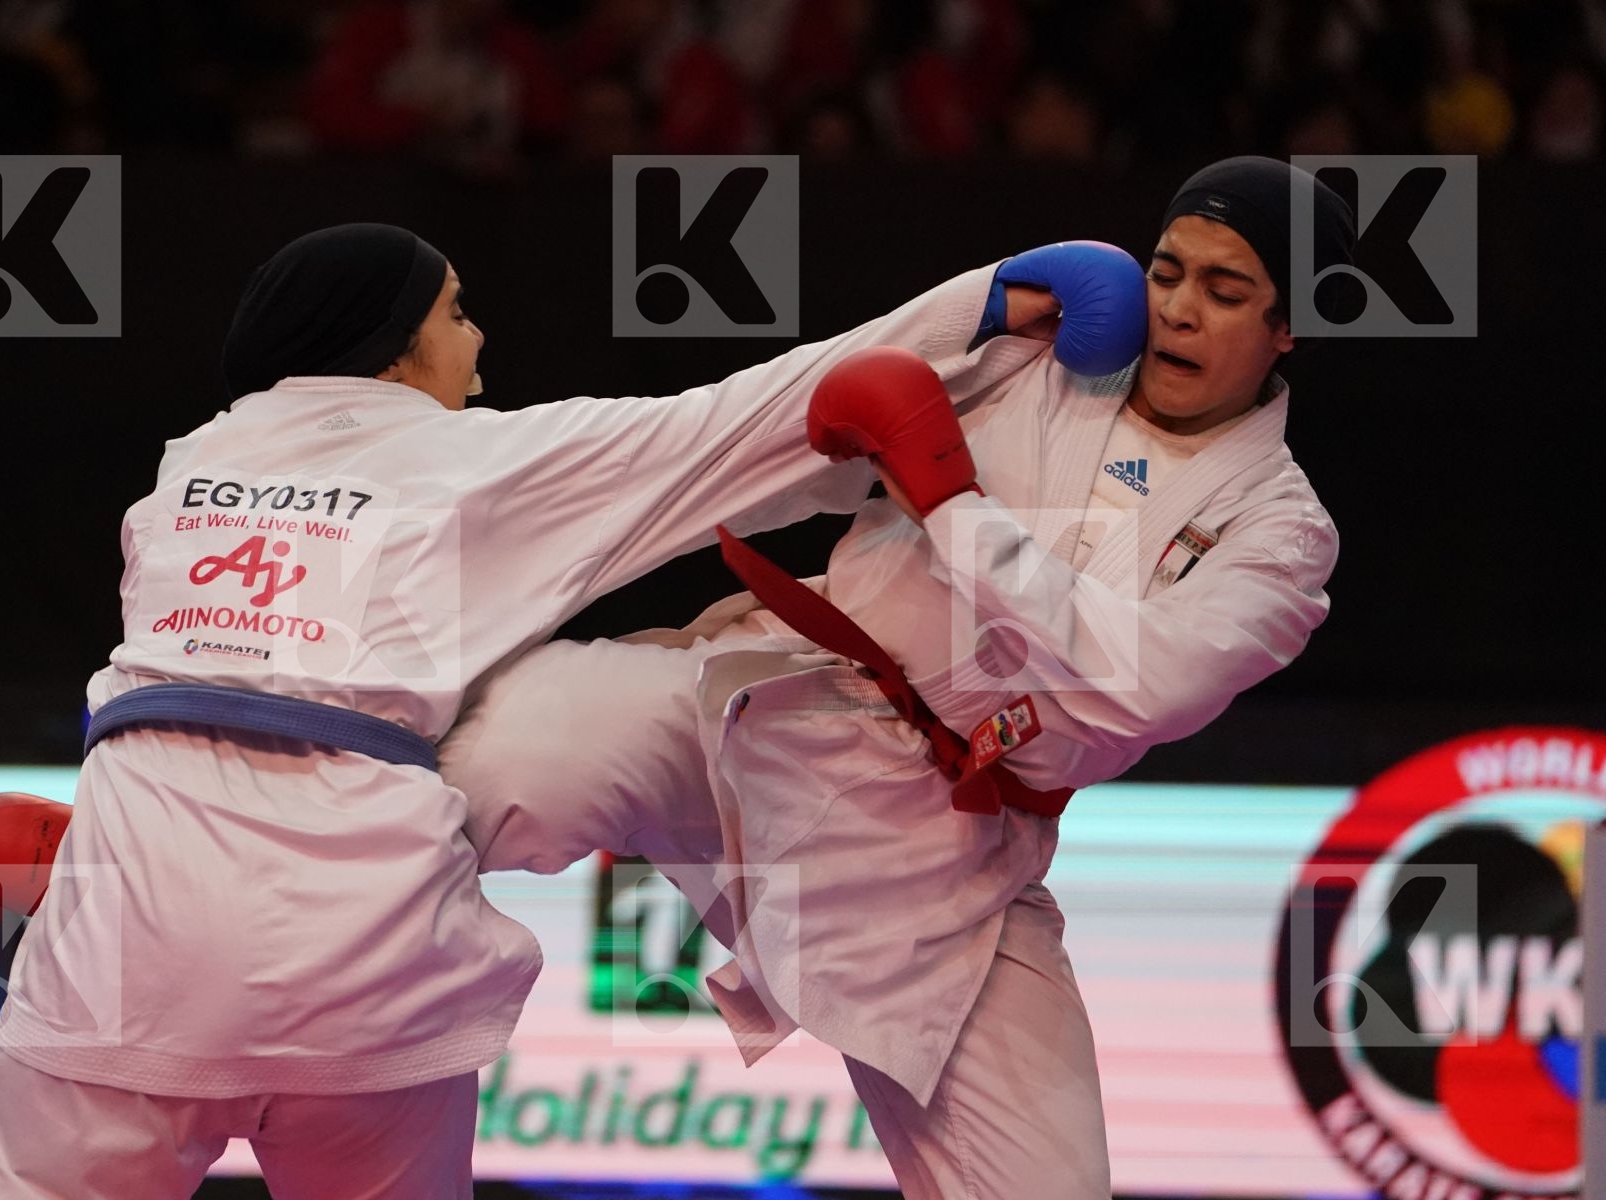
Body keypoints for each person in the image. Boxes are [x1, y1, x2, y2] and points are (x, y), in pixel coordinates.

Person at [0, 221, 1140, 1198]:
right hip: (362, 977)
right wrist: (988, 305)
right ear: (397, 347)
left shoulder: (171, 479)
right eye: (457, 312)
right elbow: (741, 422)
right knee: (496, 721)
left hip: (128, 940)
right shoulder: (474, 462)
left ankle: (87, 859)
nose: (480, 335)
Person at [436, 156, 1358, 1198]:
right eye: (1166, 272)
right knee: (507, 751)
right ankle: (290, 941)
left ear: (1289, 329)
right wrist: (981, 296)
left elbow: (1139, 686)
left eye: (1225, 292)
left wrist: (954, 509)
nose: (1180, 310)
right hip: (775, 708)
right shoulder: (1038, 363)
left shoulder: (1282, 534)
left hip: (952, 858)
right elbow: (816, 408)